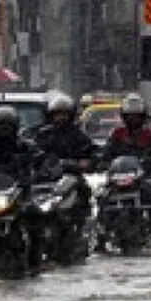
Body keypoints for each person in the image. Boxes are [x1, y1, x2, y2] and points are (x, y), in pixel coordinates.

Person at [0, 106, 44, 274]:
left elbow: (40, 162)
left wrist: (39, 171)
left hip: (19, 194)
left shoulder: (26, 146)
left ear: (16, 126)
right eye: (0, 125)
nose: (4, 130)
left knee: (36, 216)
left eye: (8, 126)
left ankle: (35, 261)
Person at [100, 94, 151, 252]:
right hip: (117, 180)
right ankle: (100, 236)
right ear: (124, 117)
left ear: (143, 117)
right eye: (130, 116)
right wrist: (102, 162)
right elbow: (106, 154)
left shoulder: (150, 135)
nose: (133, 120)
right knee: (101, 200)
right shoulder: (117, 134)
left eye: (136, 116)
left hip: (141, 179)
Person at [32, 94, 96, 232]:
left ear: (71, 115)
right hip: (45, 179)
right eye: (57, 114)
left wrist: (82, 163)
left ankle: (82, 226)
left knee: (84, 191)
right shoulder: (43, 135)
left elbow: (90, 155)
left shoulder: (78, 135)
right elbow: (32, 153)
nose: (61, 118)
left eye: (64, 114)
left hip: (70, 177)